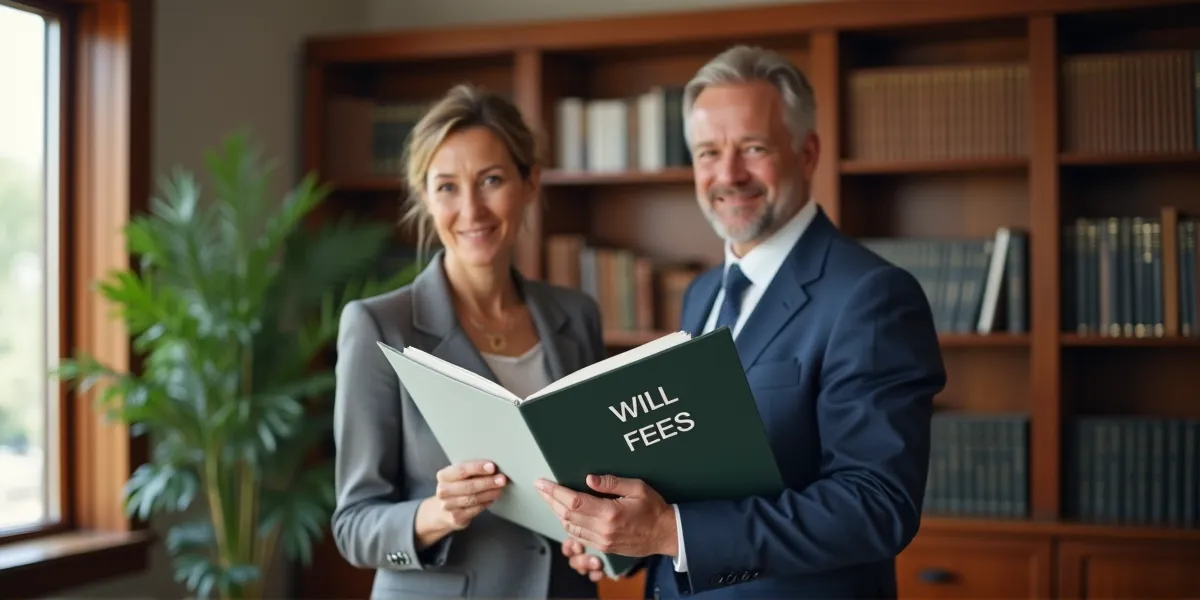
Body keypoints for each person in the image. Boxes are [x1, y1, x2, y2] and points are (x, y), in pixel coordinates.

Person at [538, 45, 947, 598]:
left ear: (807, 153)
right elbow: (691, 477)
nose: (728, 174)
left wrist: (670, 531)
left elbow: (876, 504)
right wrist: (623, 542)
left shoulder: (872, 296)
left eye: (752, 148)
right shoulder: (704, 292)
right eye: (708, 152)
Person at [331, 83, 605, 599]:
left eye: (492, 180)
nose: (472, 209)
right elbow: (353, 527)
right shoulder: (378, 326)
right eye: (447, 187)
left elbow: (597, 479)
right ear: (426, 200)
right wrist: (438, 514)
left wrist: (606, 545)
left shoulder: (576, 315)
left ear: (531, 183)